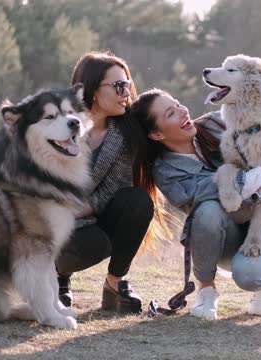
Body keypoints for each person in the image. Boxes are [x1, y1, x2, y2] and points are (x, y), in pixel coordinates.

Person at [130, 89, 261, 319]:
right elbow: (223, 190)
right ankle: (206, 291)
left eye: (178, 103)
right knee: (207, 210)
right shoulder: (166, 170)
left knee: (251, 276)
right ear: (156, 135)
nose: (183, 112)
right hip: (225, 238)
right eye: (171, 113)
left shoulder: (218, 122)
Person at [56, 52, 171, 314]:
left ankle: (114, 283)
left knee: (137, 202)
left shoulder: (125, 133)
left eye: (127, 85)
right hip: (47, 218)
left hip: (89, 216)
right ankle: (55, 278)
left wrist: (84, 207)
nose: (126, 93)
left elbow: (115, 188)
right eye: (118, 86)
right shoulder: (58, 124)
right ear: (93, 91)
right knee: (79, 239)